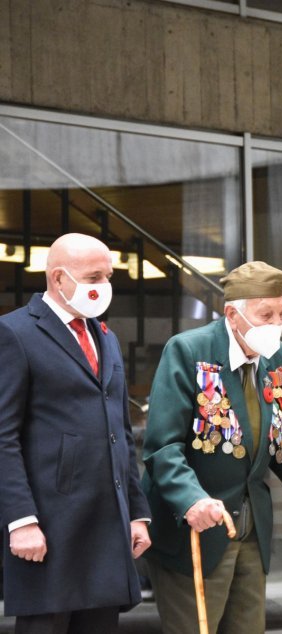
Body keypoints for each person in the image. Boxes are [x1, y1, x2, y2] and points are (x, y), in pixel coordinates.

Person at [141, 261, 282, 634]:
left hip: (251, 529)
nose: (276, 323)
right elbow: (162, 448)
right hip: (196, 529)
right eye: (265, 314)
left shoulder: (279, 358)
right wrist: (191, 499)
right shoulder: (189, 351)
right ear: (233, 315)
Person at [0, 233, 151, 633]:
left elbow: (118, 428)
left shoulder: (106, 337)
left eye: (108, 275)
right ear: (58, 278)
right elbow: (3, 435)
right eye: (93, 276)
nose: (103, 285)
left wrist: (136, 512)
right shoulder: (15, 333)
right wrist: (20, 520)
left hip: (105, 525)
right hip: (50, 525)